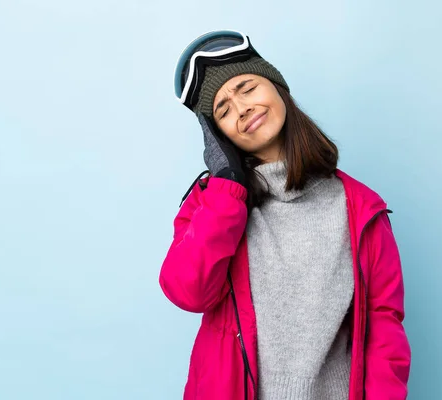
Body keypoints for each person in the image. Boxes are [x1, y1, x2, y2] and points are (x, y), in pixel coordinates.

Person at [159, 29, 411, 400]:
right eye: (223, 110)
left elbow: (383, 328)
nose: (242, 108)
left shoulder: (361, 208)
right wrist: (227, 187)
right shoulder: (209, 205)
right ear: (217, 135)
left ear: (277, 87)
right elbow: (189, 292)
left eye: (246, 88)